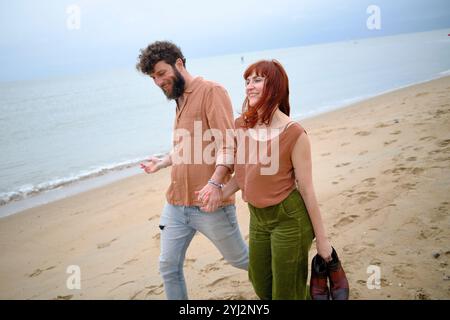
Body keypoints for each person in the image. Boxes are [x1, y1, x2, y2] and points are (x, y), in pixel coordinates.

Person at [198, 59, 334, 300]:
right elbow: (243, 176)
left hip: (289, 219)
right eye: (247, 81)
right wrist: (219, 192)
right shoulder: (242, 126)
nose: (249, 86)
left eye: (257, 80)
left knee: (285, 293)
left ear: (275, 87)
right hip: (258, 220)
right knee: (261, 284)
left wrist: (323, 241)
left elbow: (307, 189)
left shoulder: (294, 133)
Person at [135, 41, 248, 300]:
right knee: (168, 266)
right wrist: (162, 162)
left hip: (210, 204)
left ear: (179, 64)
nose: (158, 82)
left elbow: (227, 145)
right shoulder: (179, 97)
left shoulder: (211, 91)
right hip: (175, 203)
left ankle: (291, 288)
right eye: (153, 78)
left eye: (161, 74)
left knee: (241, 260)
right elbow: (190, 146)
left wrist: (216, 183)